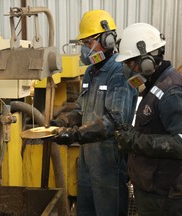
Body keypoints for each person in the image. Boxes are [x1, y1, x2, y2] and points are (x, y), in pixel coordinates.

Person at [51, 10, 138, 216]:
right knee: (87, 210)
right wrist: (63, 121)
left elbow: (116, 121)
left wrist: (75, 135)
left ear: (108, 40)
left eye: (88, 42)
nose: (84, 49)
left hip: (109, 159)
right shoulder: (90, 72)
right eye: (83, 43)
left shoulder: (120, 72)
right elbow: (82, 109)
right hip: (88, 158)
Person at [114, 23, 182, 216]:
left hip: (165, 197)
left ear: (147, 60)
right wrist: (134, 134)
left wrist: (136, 141)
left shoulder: (171, 92)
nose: (127, 70)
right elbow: (158, 127)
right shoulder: (156, 84)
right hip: (155, 189)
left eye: (130, 63)